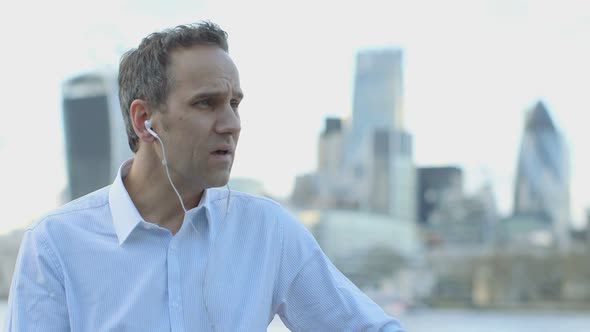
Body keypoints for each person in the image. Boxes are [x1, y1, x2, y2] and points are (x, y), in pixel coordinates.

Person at [5, 21, 405, 331]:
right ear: (145, 121)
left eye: (234, 103)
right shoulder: (55, 245)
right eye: (206, 104)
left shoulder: (267, 230)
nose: (232, 124)